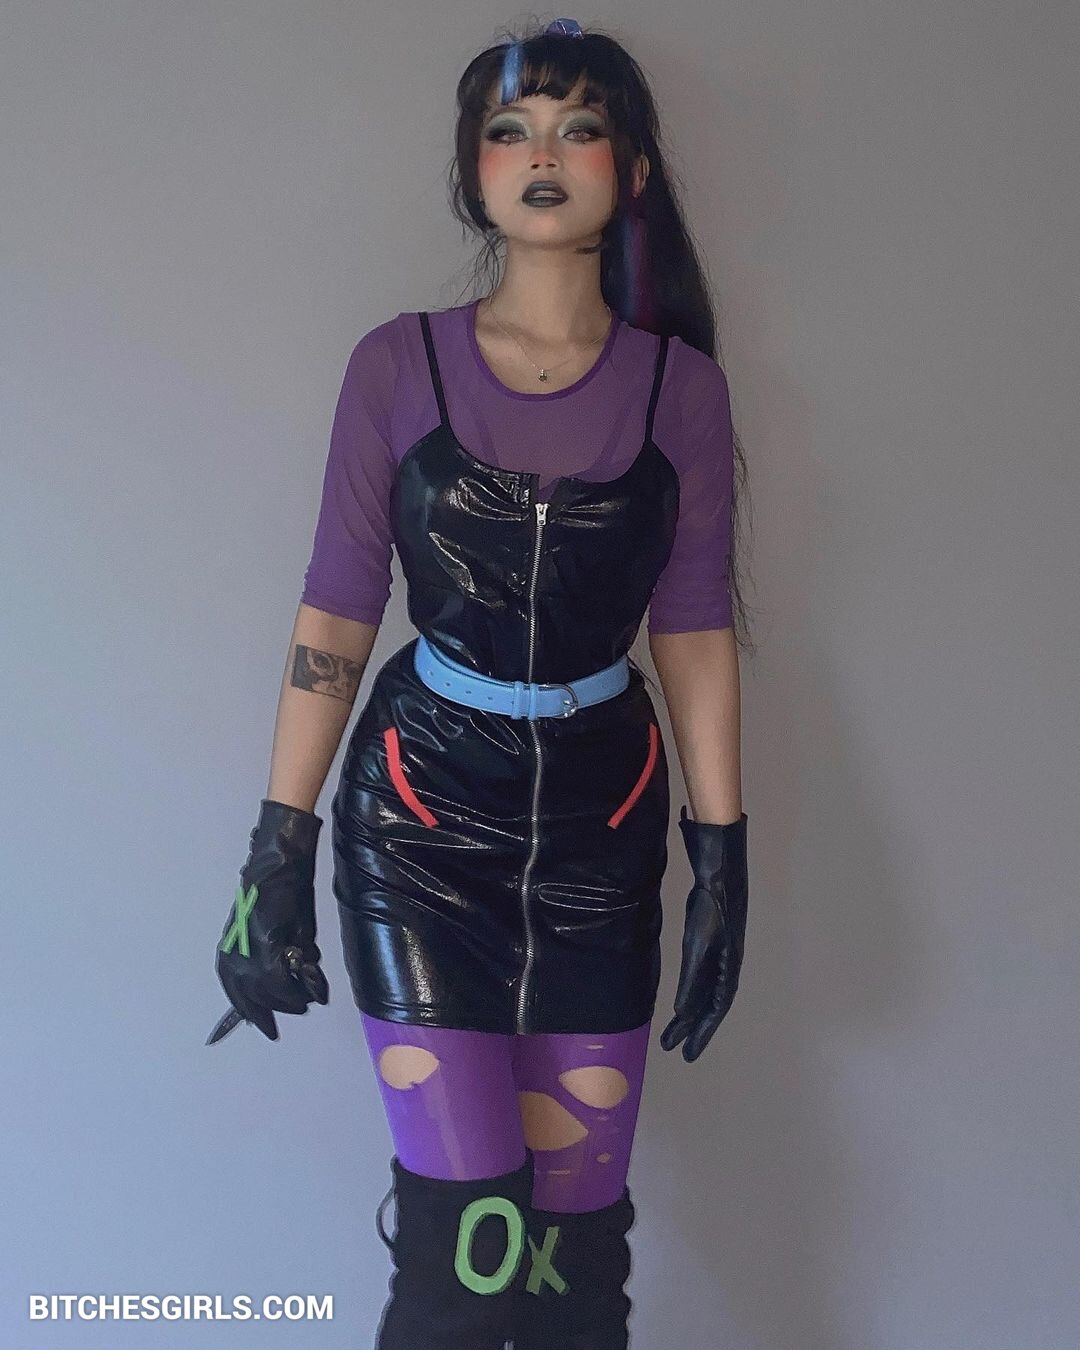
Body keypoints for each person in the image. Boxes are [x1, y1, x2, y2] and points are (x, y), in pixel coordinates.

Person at [210, 17, 752, 1349]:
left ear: (631, 168)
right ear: (473, 170)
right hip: (420, 819)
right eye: (512, 129)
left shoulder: (681, 391)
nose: (544, 154)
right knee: (464, 1262)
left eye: (580, 128)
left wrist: (722, 853)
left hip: (602, 833)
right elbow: (337, 607)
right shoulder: (398, 365)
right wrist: (278, 846)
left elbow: (692, 627)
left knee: (573, 1274)